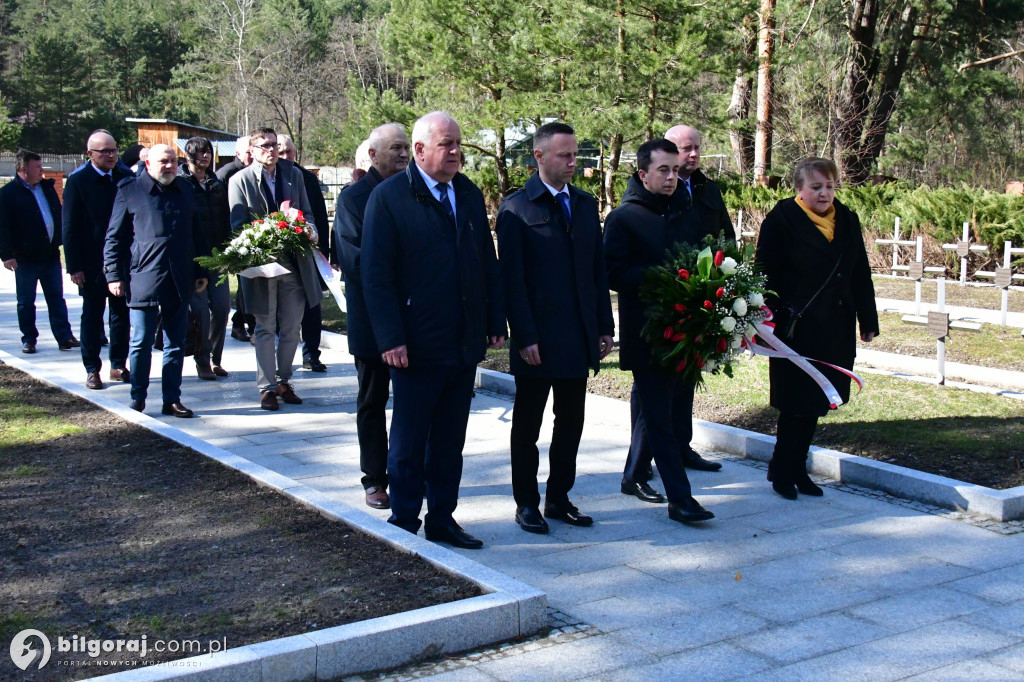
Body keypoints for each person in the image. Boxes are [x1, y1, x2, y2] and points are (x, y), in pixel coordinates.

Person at [362, 111, 505, 548]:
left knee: (449, 440)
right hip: (415, 343)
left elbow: (485, 262)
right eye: (447, 144)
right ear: (420, 150)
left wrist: (494, 319)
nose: (456, 152)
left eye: (458, 143)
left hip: (461, 341)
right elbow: (376, 275)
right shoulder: (389, 198)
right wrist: (391, 338)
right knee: (408, 440)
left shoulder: (467, 193)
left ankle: (442, 518)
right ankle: (406, 521)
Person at [496, 122, 614, 534]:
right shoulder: (516, 208)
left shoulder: (583, 205)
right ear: (539, 157)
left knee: (571, 422)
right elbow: (511, 282)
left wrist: (603, 325)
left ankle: (559, 497)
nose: (572, 163)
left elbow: (596, 271)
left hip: (577, 336)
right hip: (538, 340)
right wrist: (524, 335)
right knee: (528, 424)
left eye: (575, 155)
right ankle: (526, 502)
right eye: (564, 155)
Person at [604, 138, 716, 524]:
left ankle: (634, 474)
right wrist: (663, 279)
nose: (671, 177)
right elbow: (613, 271)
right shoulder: (623, 218)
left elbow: (703, 258)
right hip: (647, 335)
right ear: (643, 174)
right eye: (663, 170)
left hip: (686, 332)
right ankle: (680, 500)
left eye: (675, 169)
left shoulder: (686, 212)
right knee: (660, 417)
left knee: (659, 413)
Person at [755, 157, 879, 499]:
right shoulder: (781, 220)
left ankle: (797, 468)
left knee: (818, 402)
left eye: (830, 186)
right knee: (796, 403)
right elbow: (764, 273)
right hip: (794, 329)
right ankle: (784, 470)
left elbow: (860, 272)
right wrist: (769, 318)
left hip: (835, 327)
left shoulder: (848, 219)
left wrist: (868, 319)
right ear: (799, 189)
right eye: (816, 187)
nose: (825, 194)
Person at [334, 123, 411, 510]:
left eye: (406, 148)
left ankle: (409, 473)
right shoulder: (353, 199)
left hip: (414, 316)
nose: (403, 154)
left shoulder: (415, 190)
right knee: (373, 399)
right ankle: (375, 478)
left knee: (413, 402)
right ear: (373, 155)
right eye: (394, 148)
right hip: (371, 319)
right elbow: (355, 260)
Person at [104, 144, 209, 418]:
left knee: (175, 343)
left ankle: (171, 399)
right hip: (143, 277)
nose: (170, 166)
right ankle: (138, 397)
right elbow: (114, 238)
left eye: (173, 161)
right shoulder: (129, 190)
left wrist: (201, 272)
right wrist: (114, 275)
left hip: (179, 278)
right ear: (148, 163)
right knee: (141, 342)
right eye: (164, 161)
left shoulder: (186, 190)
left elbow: (199, 235)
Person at [228, 127, 321, 411]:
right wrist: (265, 235)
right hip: (261, 265)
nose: (271, 150)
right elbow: (238, 227)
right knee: (265, 326)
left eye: (274, 145)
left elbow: (306, 211)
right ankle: (266, 387)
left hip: (294, 262)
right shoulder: (239, 180)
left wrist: (310, 229)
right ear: (253, 150)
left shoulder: (293, 175)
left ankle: (284, 380)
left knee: (292, 326)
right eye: (265, 145)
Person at [62, 130, 133, 390]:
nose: (111, 155)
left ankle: (118, 364)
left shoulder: (126, 177)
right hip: (90, 262)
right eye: (104, 151)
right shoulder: (79, 181)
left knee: (121, 314)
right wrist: (74, 266)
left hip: (122, 260)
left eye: (113, 150)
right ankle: (92, 368)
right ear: (90, 154)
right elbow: (69, 227)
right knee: (92, 315)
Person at [0, 150, 78, 354]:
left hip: (50, 255)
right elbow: (3, 226)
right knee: (26, 302)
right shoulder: (8, 194)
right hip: (25, 258)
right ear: (23, 169)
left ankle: (64, 337)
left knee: (56, 298)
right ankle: (29, 339)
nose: (42, 170)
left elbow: (56, 214)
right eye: (37, 167)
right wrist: (7, 254)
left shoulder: (47, 188)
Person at [179, 136, 232, 380]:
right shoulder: (181, 184)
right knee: (199, 311)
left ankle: (216, 357)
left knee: (221, 309)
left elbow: (224, 218)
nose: (205, 156)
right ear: (189, 155)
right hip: (193, 259)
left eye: (208, 152)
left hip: (217, 256)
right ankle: (202, 360)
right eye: (200, 153)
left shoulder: (216, 183)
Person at [277, 134, 330, 373]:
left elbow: (318, 214)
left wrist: (323, 250)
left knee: (312, 305)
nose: (286, 156)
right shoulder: (271, 178)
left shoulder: (305, 177)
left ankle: (311, 354)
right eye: (281, 152)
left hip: (307, 252)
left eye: (289, 152)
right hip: (279, 255)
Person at [217, 135, 256, 343]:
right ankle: (242, 324)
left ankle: (243, 322)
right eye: (248, 152)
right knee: (244, 284)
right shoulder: (228, 174)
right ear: (239, 153)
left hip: (253, 234)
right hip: (234, 234)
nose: (251, 155)